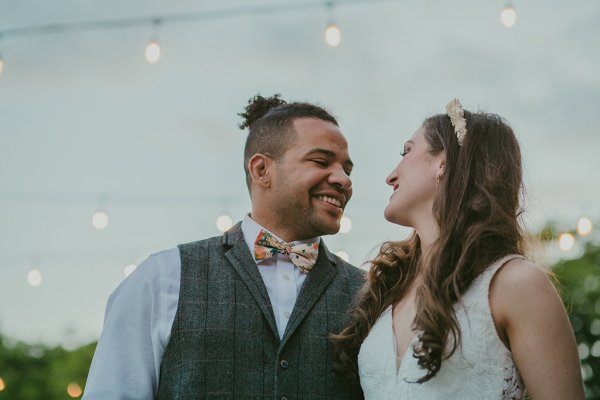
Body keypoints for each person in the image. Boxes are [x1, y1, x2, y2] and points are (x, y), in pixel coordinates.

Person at [83, 94, 365, 399]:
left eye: (347, 170)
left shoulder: (370, 293)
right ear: (261, 170)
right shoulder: (162, 277)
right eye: (321, 161)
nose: (342, 180)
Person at [331, 99, 584, 399]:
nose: (391, 176)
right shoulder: (388, 289)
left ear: (444, 162)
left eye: (407, 151)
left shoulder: (515, 283)